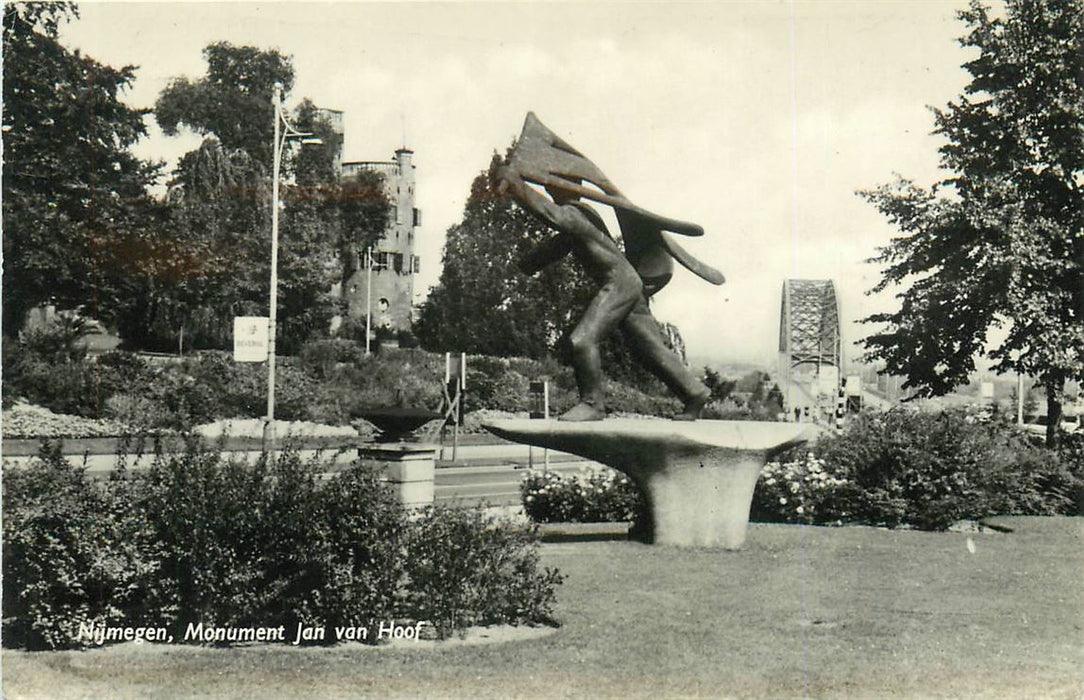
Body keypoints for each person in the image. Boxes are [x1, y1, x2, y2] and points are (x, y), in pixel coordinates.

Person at [497, 166, 710, 422]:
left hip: (619, 282)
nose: (546, 186)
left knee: (583, 340)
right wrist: (529, 264)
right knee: (648, 348)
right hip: (629, 283)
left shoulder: (574, 214)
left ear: (560, 185)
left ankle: (593, 404)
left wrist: (517, 186)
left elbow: (549, 214)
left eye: (548, 183)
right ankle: (694, 393)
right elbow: (561, 243)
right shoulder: (583, 214)